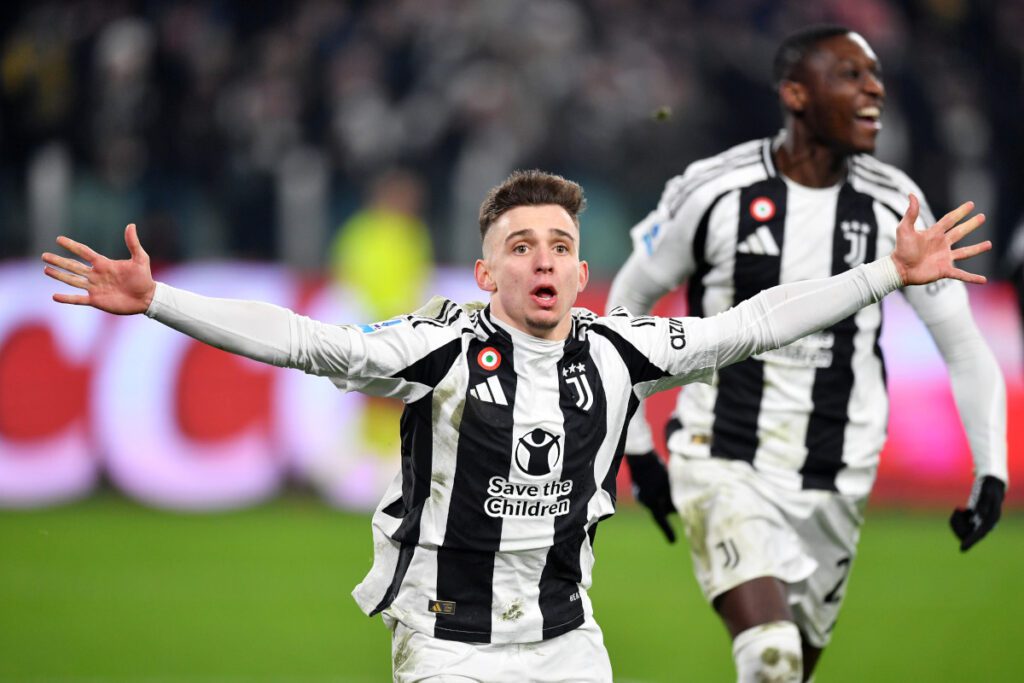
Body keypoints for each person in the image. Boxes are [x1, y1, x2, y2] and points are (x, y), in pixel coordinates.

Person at [42, 169, 988, 682]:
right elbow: (303, 340)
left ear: (583, 274)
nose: (545, 259)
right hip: (450, 646)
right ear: (485, 274)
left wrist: (886, 276)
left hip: (572, 644)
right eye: (521, 246)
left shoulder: (622, 349)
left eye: (562, 247)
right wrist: (159, 298)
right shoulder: (439, 348)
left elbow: (752, 324)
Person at [608, 26, 1007, 682]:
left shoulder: (894, 206)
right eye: (850, 75)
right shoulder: (713, 189)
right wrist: (638, 445)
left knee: (789, 671)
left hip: (838, 475)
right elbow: (627, 303)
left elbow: (962, 343)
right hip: (722, 455)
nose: (874, 87)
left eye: (876, 74)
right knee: (770, 656)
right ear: (796, 94)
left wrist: (991, 467)